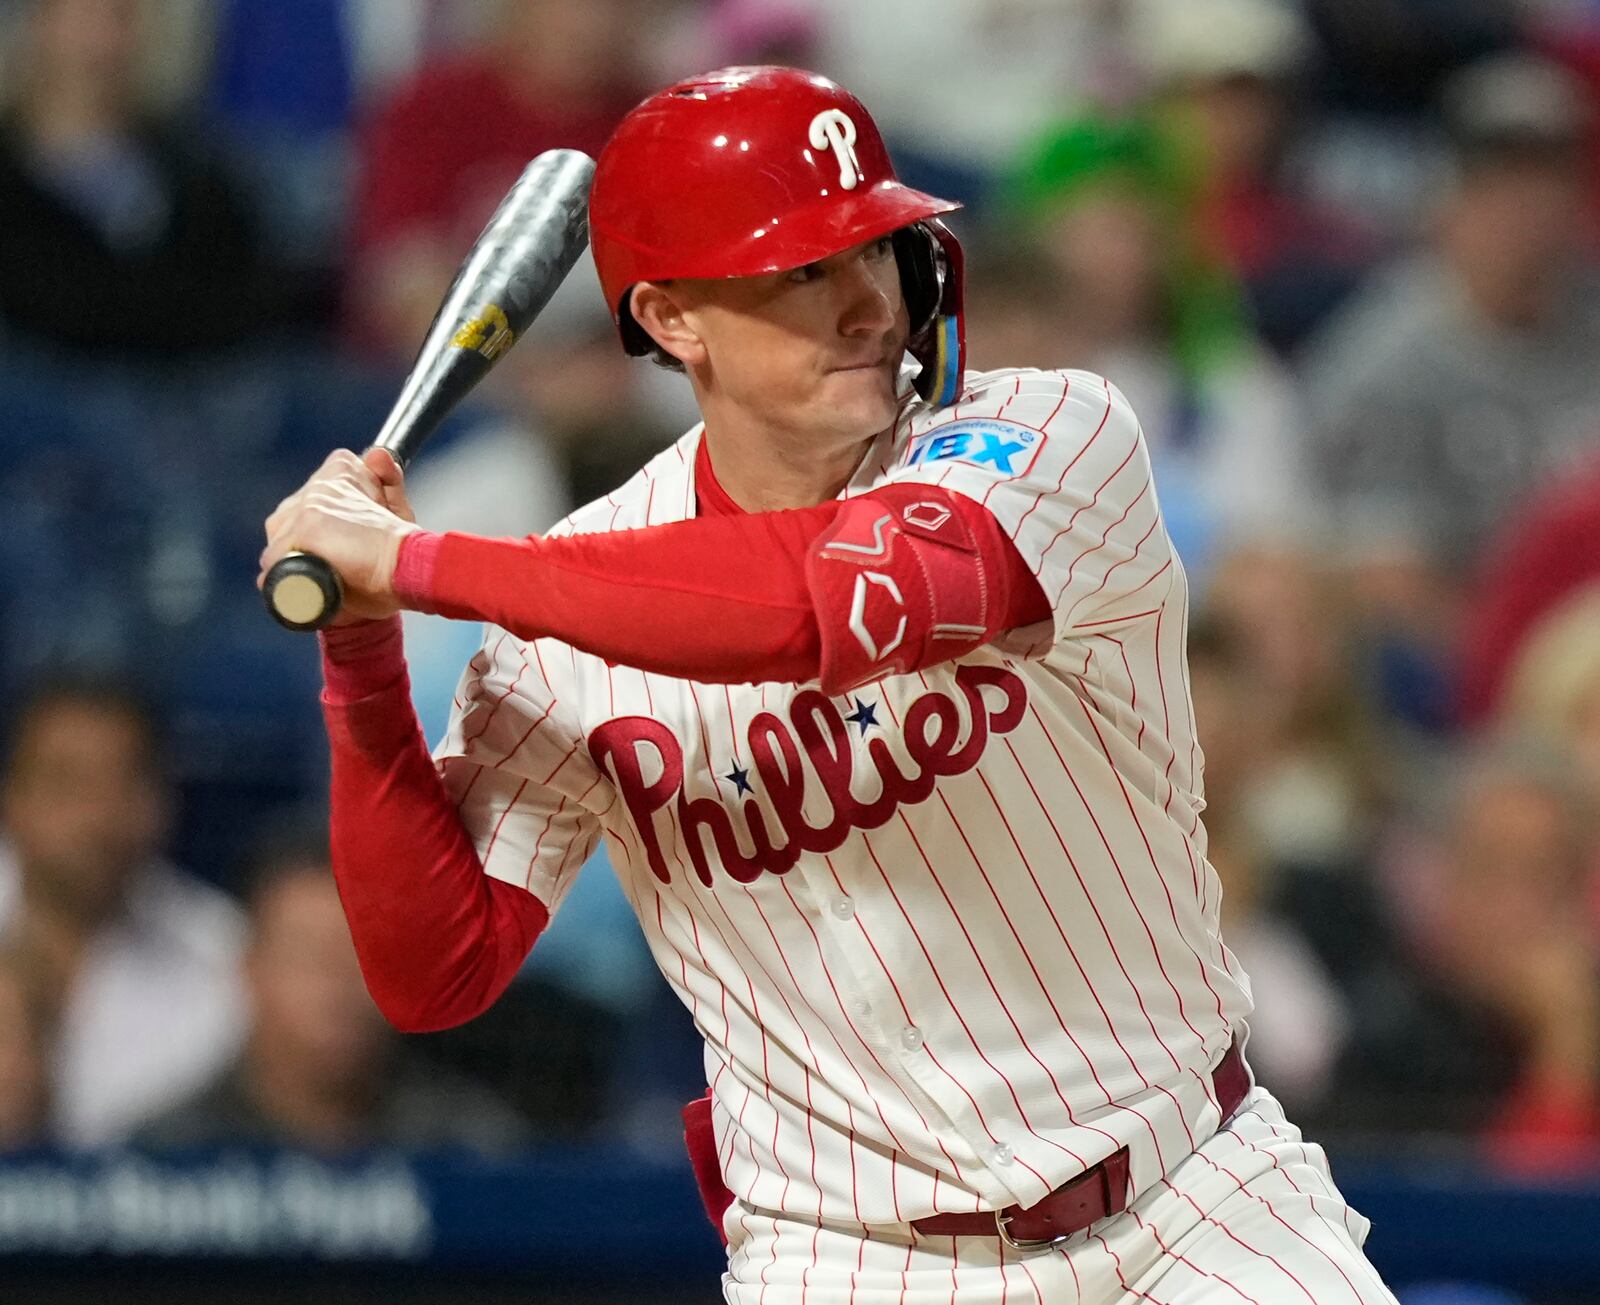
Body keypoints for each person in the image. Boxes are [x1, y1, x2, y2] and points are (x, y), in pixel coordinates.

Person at [261, 67, 1397, 1302]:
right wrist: (362, 646)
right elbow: (435, 974)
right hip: (853, 1258)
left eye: (875, 249)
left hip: (1191, 1199)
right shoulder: (560, 617)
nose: (863, 304)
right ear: (674, 319)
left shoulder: (1049, 439)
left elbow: (809, 603)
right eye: (799, 270)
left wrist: (420, 562)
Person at [138, 828, 528, 1154]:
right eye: (308, 954)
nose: (337, 983)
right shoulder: (167, 1154)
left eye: (363, 952)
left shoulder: (473, 1147)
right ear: (249, 970)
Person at [0, 678, 246, 1146]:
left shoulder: (228, 956)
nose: (98, 817)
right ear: (12, 796)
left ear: (163, 803)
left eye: (125, 783)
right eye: (66, 784)